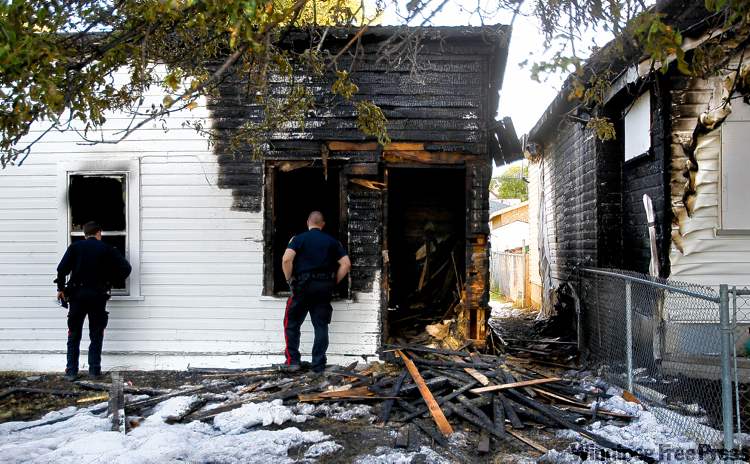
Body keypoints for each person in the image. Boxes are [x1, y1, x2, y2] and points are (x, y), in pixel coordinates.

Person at [55, 221, 131, 380]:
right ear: (99, 233)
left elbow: (61, 269)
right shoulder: (107, 249)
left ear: (84, 234)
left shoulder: (75, 248)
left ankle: (71, 371)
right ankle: (94, 370)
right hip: (98, 295)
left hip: (77, 296)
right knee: (96, 333)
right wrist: (111, 282)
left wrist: (61, 288)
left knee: (74, 333)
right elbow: (126, 268)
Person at [281, 211, 351, 373]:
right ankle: (318, 365)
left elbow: (286, 259)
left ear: (308, 222)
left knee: (291, 324)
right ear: (323, 224)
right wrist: (332, 282)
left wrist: (289, 279)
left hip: (303, 286)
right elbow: (346, 264)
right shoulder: (333, 242)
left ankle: (293, 361)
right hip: (324, 288)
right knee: (320, 326)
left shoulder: (298, 239)